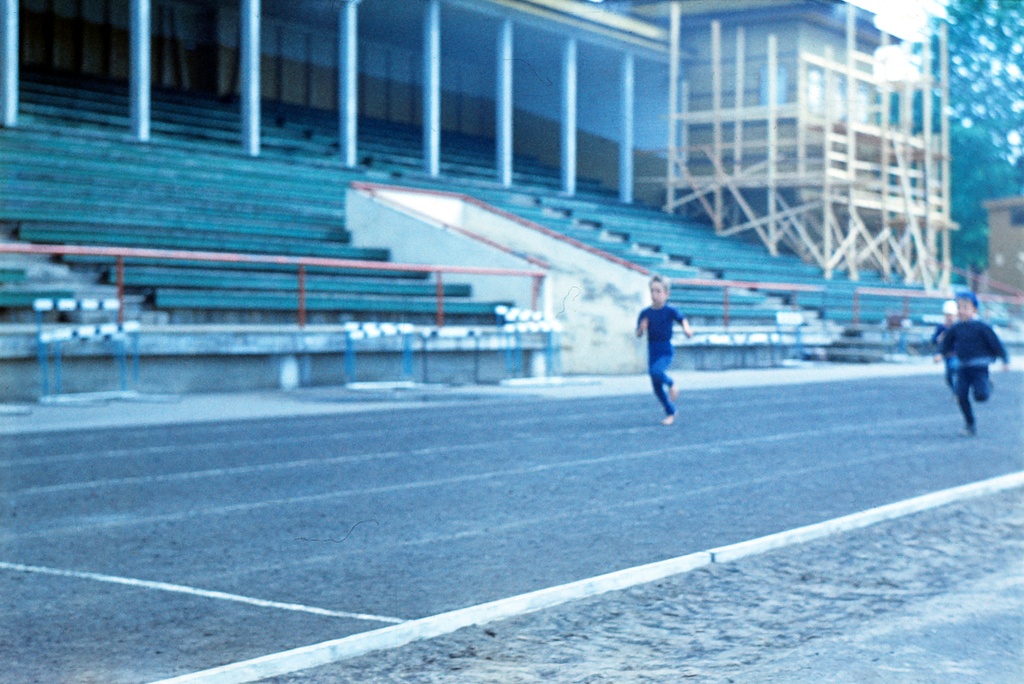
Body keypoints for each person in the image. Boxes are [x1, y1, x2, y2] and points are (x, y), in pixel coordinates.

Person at [935, 291, 1010, 436]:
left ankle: (986, 384)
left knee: (981, 396)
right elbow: (946, 342)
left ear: (974, 309)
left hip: (979, 366)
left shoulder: (982, 327)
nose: (961, 311)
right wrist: (940, 353)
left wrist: (1005, 359)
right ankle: (970, 424)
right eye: (959, 308)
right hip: (963, 367)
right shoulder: (956, 327)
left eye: (965, 308)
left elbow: (996, 343)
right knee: (961, 395)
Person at [636, 275, 694, 425]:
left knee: (655, 371)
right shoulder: (645, 313)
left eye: (658, 291)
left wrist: (687, 328)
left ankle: (671, 384)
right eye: (652, 291)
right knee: (656, 387)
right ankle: (671, 412)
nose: (654, 294)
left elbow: (682, 319)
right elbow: (638, 333)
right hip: (652, 349)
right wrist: (642, 329)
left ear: (666, 294)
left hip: (665, 349)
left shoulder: (670, 310)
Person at [931, 299, 960, 395]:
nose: (949, 318)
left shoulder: (959, 327)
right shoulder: (941, 327)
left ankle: (959, 391)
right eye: (947, 315)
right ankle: (956, 392)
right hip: (947, 355)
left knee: (954, 367)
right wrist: (938, 339)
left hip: (957, 354)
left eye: (951, 315)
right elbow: (934, 340)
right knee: (949, 376)